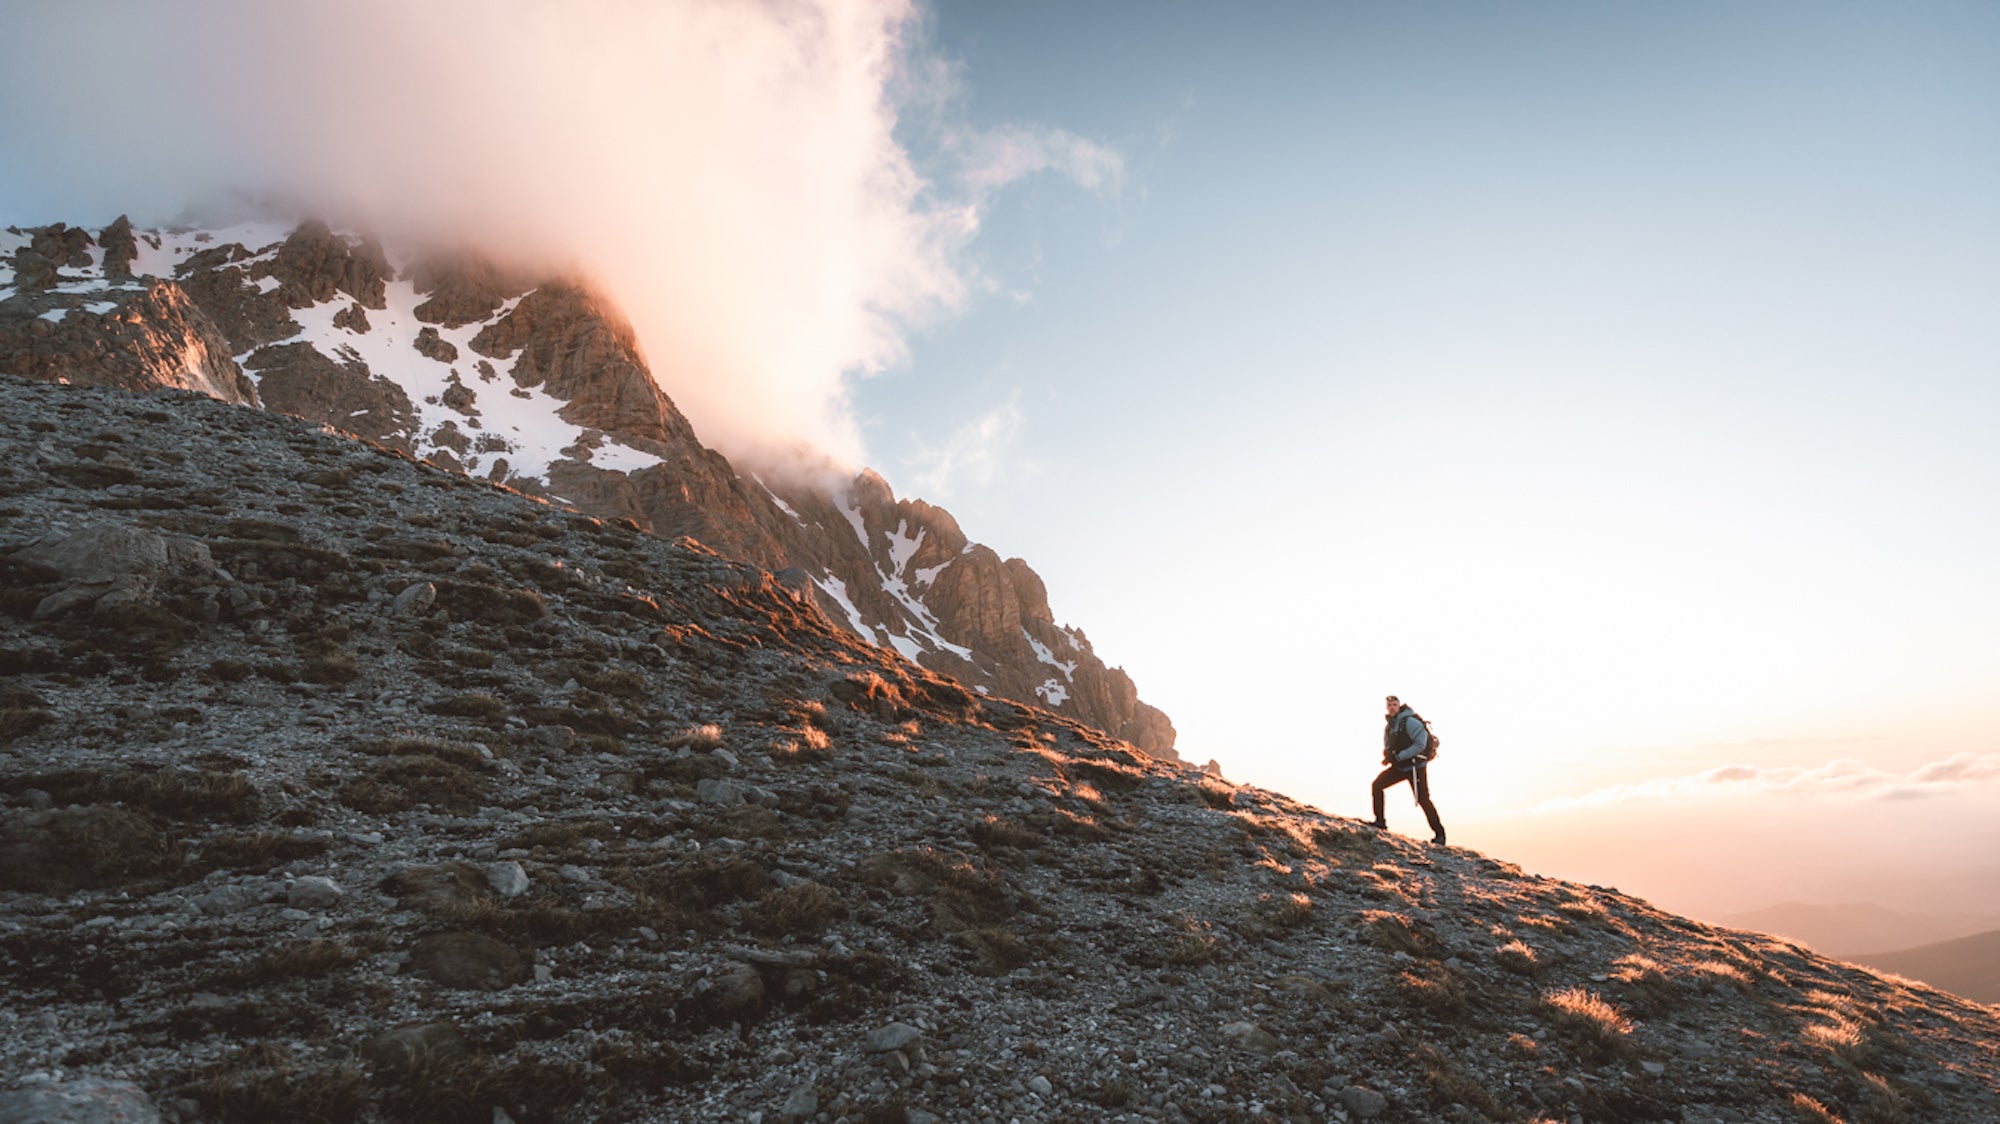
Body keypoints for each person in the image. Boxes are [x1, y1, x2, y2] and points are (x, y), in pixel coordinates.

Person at [1369, 695, 1446, 845]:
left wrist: (1400, 756)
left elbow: (1420, 745)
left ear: (1399, 706)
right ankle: (1380, 822)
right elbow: (1388, 745)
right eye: (1389, 705)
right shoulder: (1390, 725)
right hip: (1400, 766)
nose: (1392, 707)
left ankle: (1440, 835)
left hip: (1416, 767)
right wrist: (1388, 756)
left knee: (1423, 799)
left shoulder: (1410, 722)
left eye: (1394, 704)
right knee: (1377, 785)